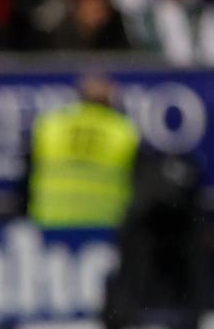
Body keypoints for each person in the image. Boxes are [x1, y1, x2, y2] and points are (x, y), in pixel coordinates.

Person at [26, 74, 141, 229]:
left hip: (51, 224)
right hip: (105, 226)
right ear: (110, 100)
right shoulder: (122, 130)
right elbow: (138, 182)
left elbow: (27, 175)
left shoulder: (50, 126)